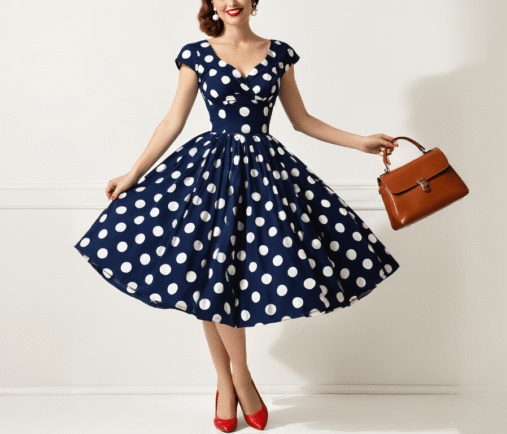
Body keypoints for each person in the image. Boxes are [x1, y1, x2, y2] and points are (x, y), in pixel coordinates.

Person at [72, 0, 401, 431]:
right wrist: (134, 173)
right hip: (209, 173)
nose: (232, 1)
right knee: (210, 276)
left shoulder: (279, 52)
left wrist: (359, 142)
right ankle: (236, 383)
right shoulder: (196, 53)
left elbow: (300, 120)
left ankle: (228, 383)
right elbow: (174, 120)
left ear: (254, 1)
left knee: (225, 278)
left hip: (265, 176)